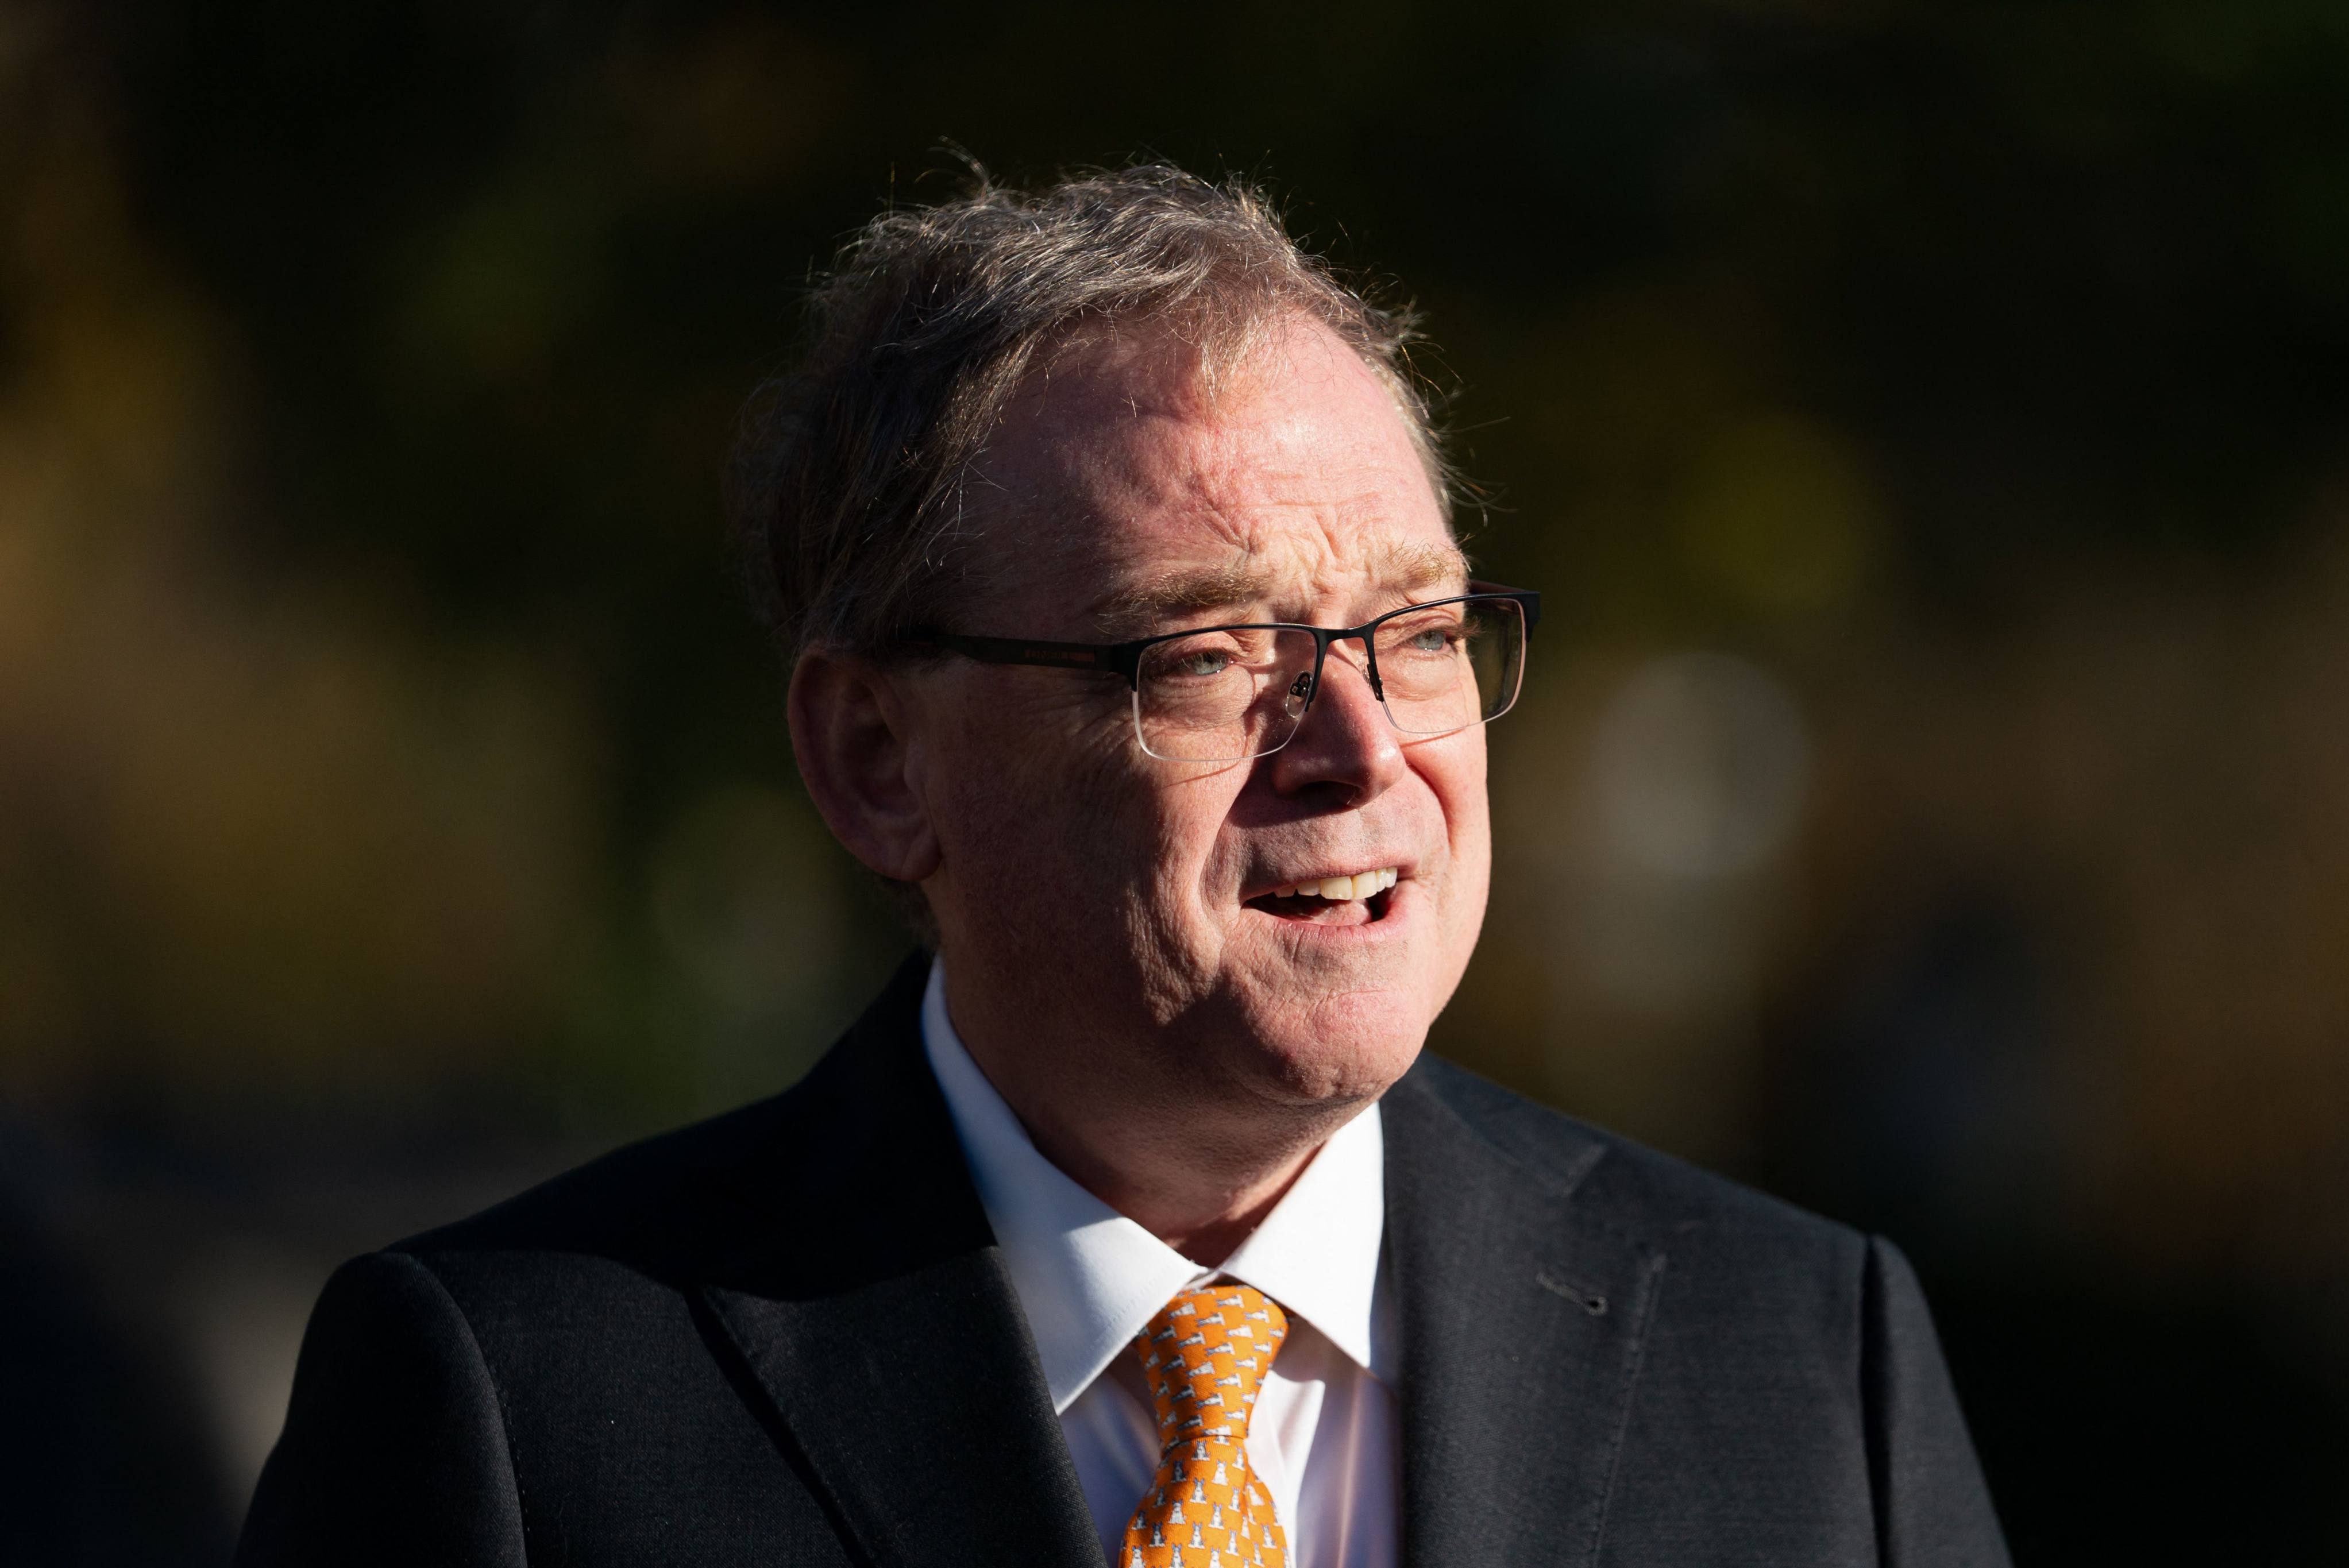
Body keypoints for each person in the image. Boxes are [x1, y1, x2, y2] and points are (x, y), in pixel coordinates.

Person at [236, 167, 2009, 1567]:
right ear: (877, 760)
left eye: (1418, 632)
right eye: (1209, 652)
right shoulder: (519, 1402)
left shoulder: (1803, 1360)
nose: (1361, 749)